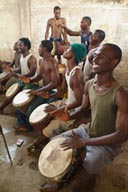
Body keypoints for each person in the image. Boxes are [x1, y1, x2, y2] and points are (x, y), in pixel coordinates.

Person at [40, 43, 128, 192]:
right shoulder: (89, 85)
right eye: (95, 55)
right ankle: (59, 183)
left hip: (107, 145)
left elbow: (122, 135)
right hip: (87, 132)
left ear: (114, 62)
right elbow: (82, 108)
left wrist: (84, 143)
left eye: (102, 57)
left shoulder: (121, 95)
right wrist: (65, 115)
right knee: (55, 142)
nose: (95, 59)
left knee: (74, 186)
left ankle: (88, 179)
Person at [27, 43, 87, 152]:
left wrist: (59, 110)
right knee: (43, 112)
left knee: (49, 128)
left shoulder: (76, 74)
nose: (65, 49)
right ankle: (47, 138)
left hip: (73, 110)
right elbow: (62, 91)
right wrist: (49, 95)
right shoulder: (66, 71)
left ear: (74, 54)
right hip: (65, 103)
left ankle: (41, 140)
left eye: (69, 49)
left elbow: (79, 102)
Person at [15, 40, 60, 132]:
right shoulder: (41, 60)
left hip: (50, 92)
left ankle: (29, 127)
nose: (38, 49)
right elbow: (40, 76)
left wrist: (39, 91)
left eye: (39, 47)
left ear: (45, 49)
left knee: (30, 109)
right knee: (21, 103)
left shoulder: (52, 62)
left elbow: (55, 82)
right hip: (42, 89)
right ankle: (23, 124)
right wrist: (30, 80)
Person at [0, 37, 37, 113]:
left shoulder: (31, 58)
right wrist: (11, 70)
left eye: (20, 45)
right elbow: (20, 68)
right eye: (18, 45)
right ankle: (1, 108)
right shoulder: (21, 57)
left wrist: (22, 76)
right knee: (11, 94)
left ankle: (22, 121)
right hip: (23, 81)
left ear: (26, 47)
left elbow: (32, 72)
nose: (18, 47)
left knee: (20, 98)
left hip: (31, 82)